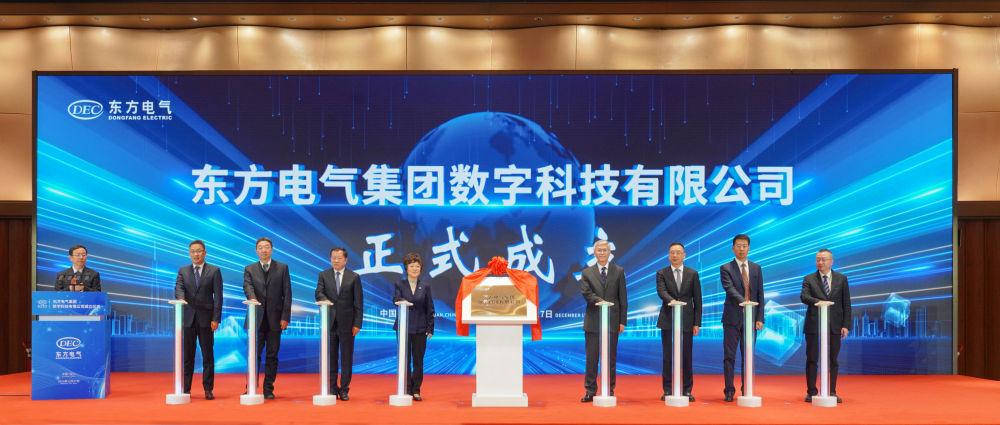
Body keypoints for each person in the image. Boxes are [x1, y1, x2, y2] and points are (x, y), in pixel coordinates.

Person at [173, 240, 223, 400]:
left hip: (207, 319)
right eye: (193, 251)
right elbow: (179, 288)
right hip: (187, 318)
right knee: (188, 356)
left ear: (205, 253)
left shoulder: (214, 271)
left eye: (199, 251)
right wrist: (181, 299)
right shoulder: (183, 271)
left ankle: (208, 389)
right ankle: (186, 389)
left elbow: (218, 297)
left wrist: (216, 318)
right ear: (189, 253)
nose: (196, 254)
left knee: (208, 355)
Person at [801, 248, 852, 404]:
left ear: (831, 261)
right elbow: (804, 297)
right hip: (814, 325)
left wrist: (846, 325)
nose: (820, 262)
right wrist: (819, 302)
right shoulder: (809, 278)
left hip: (834, 325)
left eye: (823, 259)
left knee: (833, 360)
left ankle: (832, 391)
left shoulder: (841, 279)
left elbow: (846, 303)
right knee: (812, 359)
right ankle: (811, 392)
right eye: (818, 259)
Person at [579, 240, 628, 402]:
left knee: (610, 358)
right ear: (594, 252)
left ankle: (609, 389)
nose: (601, 253)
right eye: (599, 250)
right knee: (591, 358)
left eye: (604, 250)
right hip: (593, 321)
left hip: (613, 321)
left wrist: (622, 321)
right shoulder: (587, 273)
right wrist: (601, 302)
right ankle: (590, 390)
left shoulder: (619, 271)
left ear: (609, 252)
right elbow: (586, 293)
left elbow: (623, 298)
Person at [243, 237, 291, 400]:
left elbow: (287, 294)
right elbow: (247, 287)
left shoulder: (282, 268)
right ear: (256, 250)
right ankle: (251, 387)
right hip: (255, 318)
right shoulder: (249, 269)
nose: (264, 250)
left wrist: (285, 317)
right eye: (261, 247)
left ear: (272, 249)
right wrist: (252, 299)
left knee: (272, 355)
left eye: (267, 247)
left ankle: (268, 388)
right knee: (253, 355)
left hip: (275, 319)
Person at [315, 247, 364, 401]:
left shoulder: (354, 277)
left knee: (346, 358)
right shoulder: (323, 275)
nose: (336, 260)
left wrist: (357, 324)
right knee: (331, 357)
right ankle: (332, 388)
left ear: (346, 260)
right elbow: (318, 293)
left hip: (348, 325)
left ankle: (344, 389)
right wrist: (326, 301)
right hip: (329, 323)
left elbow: (358, 303)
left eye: (339, 258)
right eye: (333, 258)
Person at [719, 234, 764, 402]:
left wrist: (760, 317)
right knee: (729, 356)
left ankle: (747, 388)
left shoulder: (756, 268)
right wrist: (745, 302)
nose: (741, 249)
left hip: (751, 319)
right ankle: (729, 390)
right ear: (733, 248)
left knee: (748, 355)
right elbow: (729, 289)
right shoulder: (726, 268)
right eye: (738, 245)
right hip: (732, 318)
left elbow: (760, 294)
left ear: (749, 248)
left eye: (744, 246)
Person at [655, 242, 702, 402]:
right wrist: (672, 301)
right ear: (669, 255)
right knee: (667, 356)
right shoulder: (661, 273)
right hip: (668, 319)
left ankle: (687, 390)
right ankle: (667, 390)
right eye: (672, 252)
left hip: (687, 319)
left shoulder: (692, 273)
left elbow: (698, 300)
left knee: (687, 356)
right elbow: (661, 291)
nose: (675, 255)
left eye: (678, 252)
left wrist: (697, 323)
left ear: (684, 255)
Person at [393, 252, 434, 401]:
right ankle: (407, 388)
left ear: (421, 269)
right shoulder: (400, 284)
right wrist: (402, 301)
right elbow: (396, 298)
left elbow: (430, 308)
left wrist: (430, 328)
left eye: (417, 266)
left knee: (418, 360)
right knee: (405, 360)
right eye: (412, 266)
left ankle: (416, 389)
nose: (415, 269)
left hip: (420, 328)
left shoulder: (425, 286)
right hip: (403, 328)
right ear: (406, 268)